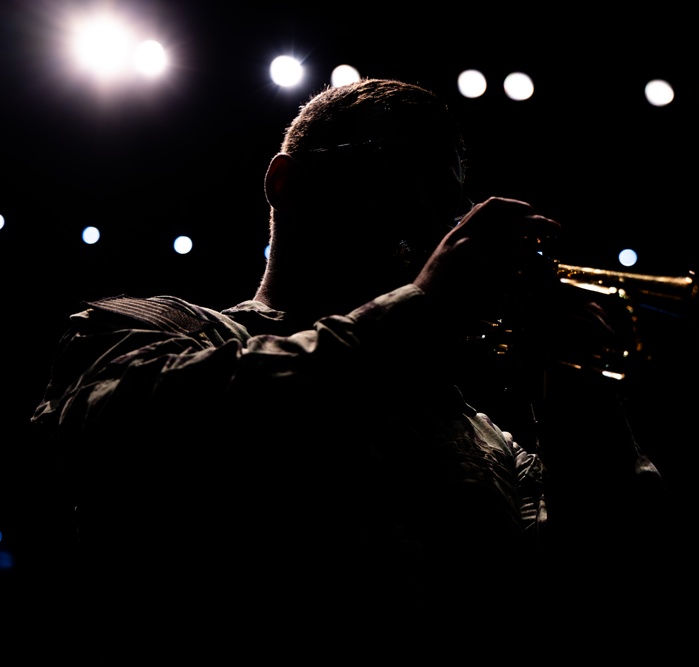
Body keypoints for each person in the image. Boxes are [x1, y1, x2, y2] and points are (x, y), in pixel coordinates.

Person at [31, 78, 666, 660]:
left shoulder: (478, 436)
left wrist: (581, 400)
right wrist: (422, 309)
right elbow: (123, 436)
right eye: (387, 170)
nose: (417, 210)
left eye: (441, 196)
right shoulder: (152, 327)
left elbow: (603, 585)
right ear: (285, 181)